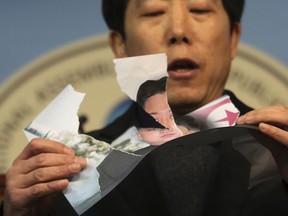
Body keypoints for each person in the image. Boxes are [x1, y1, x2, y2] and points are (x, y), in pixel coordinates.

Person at [2, 0, 288, 215]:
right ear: (120, 45)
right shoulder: (66, 171)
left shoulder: (280, 149)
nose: (178, 31)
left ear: (233, 38)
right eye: (153, 12)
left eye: (200, 10)